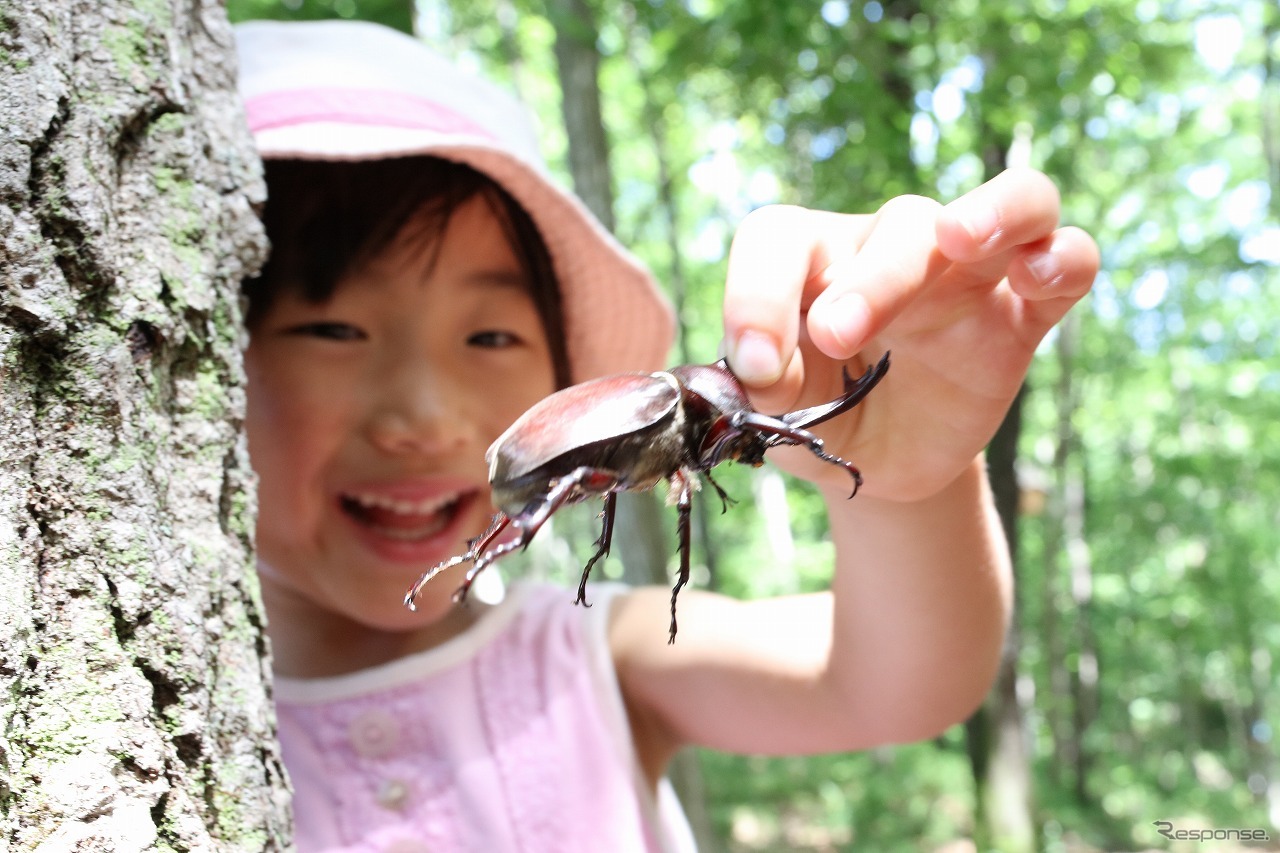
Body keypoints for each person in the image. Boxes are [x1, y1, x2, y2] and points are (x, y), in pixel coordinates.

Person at [234, 19, 1099, 852]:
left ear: (560, 371)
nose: (423, 416)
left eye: (490, 335)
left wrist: (912, 483)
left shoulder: (589, 654)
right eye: (330, 330)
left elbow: (893, 682)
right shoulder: (174, 715)